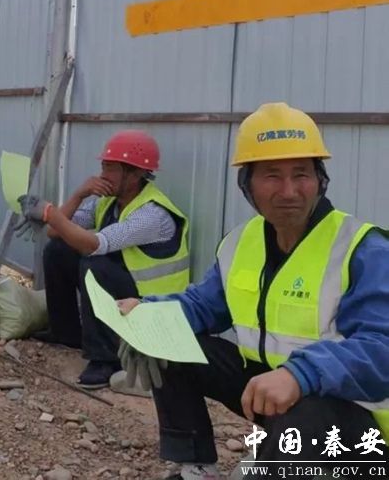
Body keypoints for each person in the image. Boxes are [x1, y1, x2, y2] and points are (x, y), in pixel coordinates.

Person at [116, 103, 389, 480]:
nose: (289, 191)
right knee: (170, 340)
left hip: (356, 421)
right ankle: (196, 466)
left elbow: (382, 347)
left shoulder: (364, 249)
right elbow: (202, 305)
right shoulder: (242, 243)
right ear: (248, 185)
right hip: (276, 394)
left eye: (301, 174)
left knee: (305, 413)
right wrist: (149, 314)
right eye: (272, 176)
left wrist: (301, 374)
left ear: (320, 180)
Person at [17, 130, 189, 388]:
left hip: (151, 305)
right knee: (58, 250)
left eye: (111, 168)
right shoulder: (107, 201)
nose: (103, 174)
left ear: (135, 174)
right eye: (103, 166)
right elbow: (56, 232)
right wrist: (79, 195)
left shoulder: (152, 213)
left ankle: (105, 359)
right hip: (126, 288)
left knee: (94, 264)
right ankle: (65, 332)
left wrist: (49, 212)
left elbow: (94, 244)